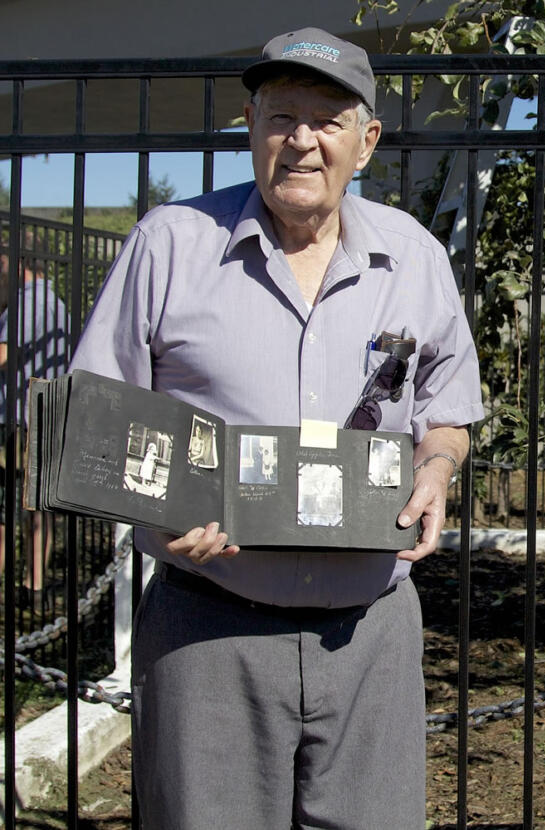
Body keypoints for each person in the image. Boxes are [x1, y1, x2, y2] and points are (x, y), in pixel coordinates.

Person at [70, 27, 483, 829]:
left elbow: (447, 412)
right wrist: (157, 506)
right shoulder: (170, 245)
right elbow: (99, 414)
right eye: (281, 116)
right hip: (208, 626)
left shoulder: (416, 256)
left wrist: (436, 471)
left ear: (365, 142)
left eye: (327, 121)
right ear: (250, 126)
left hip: (371, 636)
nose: (302, 141)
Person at [0, 227, 69, 604]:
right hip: (45, 414)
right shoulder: (53, 301)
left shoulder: (28, 303)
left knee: (16, 504)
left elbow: (4, 354)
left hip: (21, 417)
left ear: (19, 260)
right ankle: (34, 582)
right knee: (38, 504)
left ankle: (29, 585)